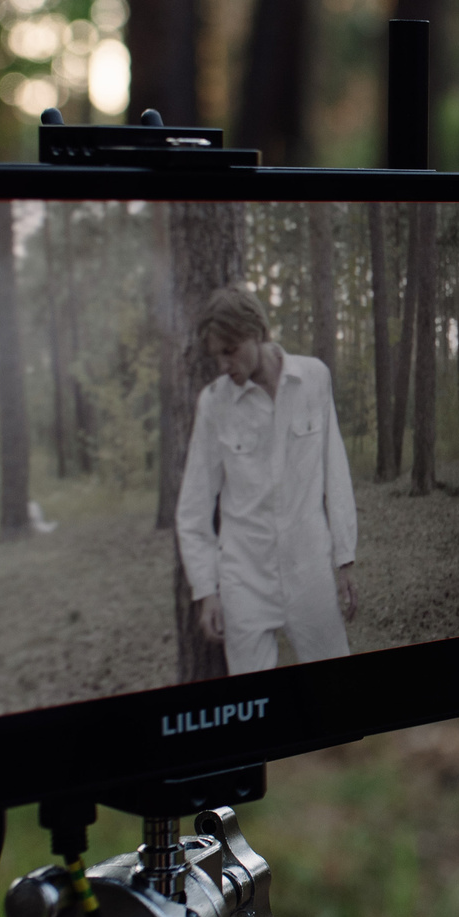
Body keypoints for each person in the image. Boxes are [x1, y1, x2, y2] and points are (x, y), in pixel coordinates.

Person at [176, 285, 360, 675]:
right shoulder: (214, 404)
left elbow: (336, 471)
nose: (224, 364)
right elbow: (193, 509)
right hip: (244, 576)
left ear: (256, 332)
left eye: (230, 350)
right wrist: (207, 591)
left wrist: (345, 559)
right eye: (217, 355)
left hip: (308, 566)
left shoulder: (313, 379)